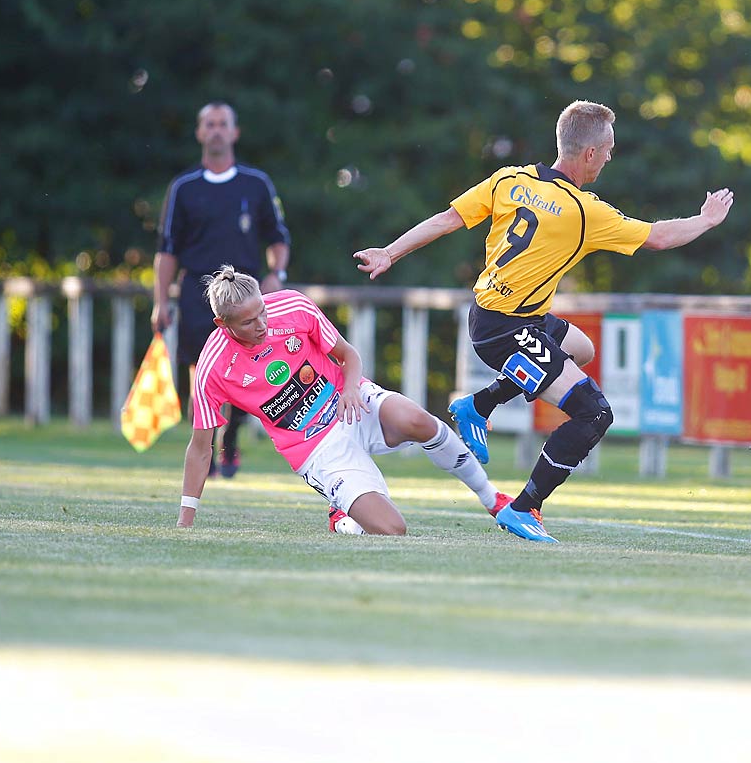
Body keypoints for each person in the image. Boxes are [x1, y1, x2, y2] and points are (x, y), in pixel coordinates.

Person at [353, 99, 735, 543]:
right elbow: (660, 237)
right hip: (507, 331)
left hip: (498, 316)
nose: (611, 156)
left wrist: (389, 251)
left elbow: (446, 219)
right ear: (590, 153)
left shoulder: (511, 179)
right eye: (608, 148)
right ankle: (525, 506)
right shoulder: (584, 211)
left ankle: (479, 404)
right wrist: (706, 220)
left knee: (582, 349)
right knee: (594, 414)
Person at [175, 267, 505, 535]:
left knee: (417, 421)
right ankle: (342, 516)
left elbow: (348, 355)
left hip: (351, 402)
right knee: (393, 530)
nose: (262, 324)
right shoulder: (213, 367)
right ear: (222, 324)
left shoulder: (292, 306)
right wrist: (185, 521)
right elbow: (201, 447)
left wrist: (349, 389)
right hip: (316, 450)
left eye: (261, 311)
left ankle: (494, 500)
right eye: (248, 322)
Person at [152, 102, 291, 479]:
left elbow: (277, 237)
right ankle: (207, 450)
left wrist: (277, 272)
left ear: (234, 132)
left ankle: (232, 442)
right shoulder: (184, 188)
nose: (215, 130)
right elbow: (167, 250)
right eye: (208, 124)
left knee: (248, 368)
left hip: (245, 293)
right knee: (204, 374)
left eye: (222, 124)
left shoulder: (255, 184)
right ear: (200, 133)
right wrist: (160, 301)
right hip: (198, 294)